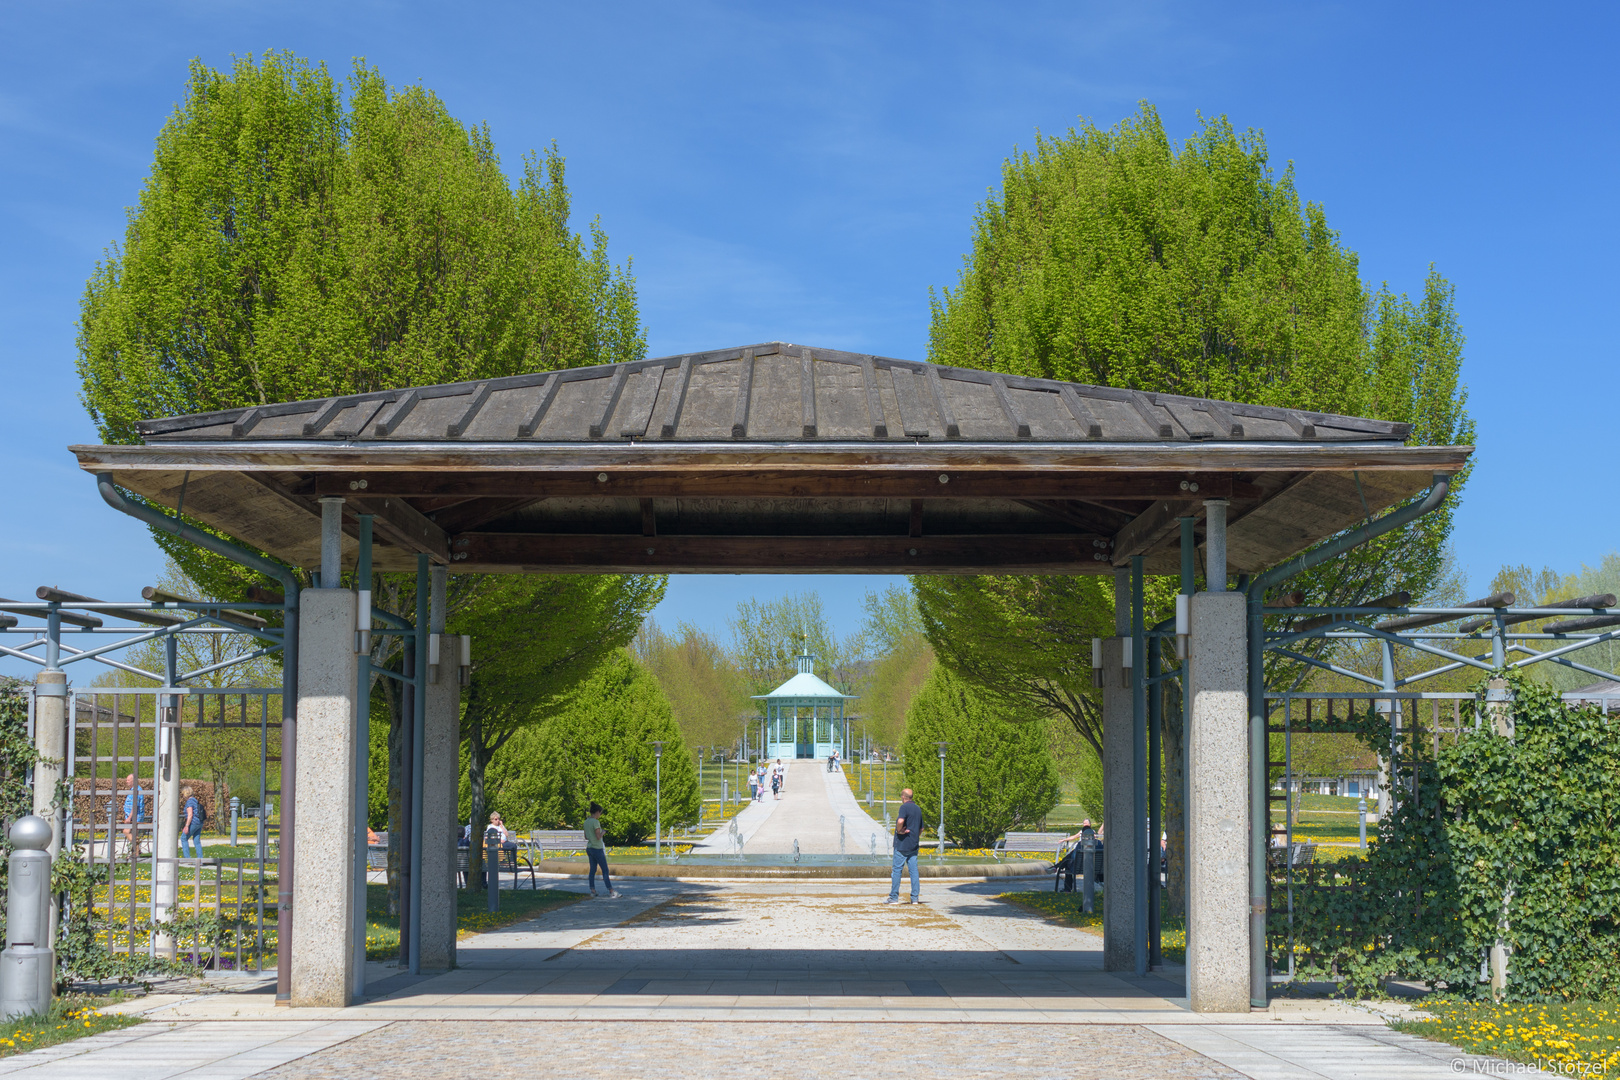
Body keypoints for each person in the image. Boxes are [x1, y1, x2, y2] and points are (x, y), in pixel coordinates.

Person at [886, 787, 923, 905]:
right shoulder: (918, 809)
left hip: (902, 845)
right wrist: (916, 836)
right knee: (914, 871)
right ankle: (915, 898)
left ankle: (894, 898)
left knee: (897, 870)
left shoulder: (904, 807)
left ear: (903, 797)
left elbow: (900, 821)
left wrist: (899, 831)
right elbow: (921, 828)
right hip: (913, 845)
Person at [583, 801, 619, 898]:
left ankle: (592, 890)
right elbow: (598, 837)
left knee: (592, 870)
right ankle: (611, 891)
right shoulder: (596, 822)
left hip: (589, 848)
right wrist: (603, 832)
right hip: (597, 848)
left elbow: (586, 837)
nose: (600, 815)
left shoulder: (586, 822)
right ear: (597, 812)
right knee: (605, 870)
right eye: (600, 813)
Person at [120, 773, 146, 855]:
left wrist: (129, 818)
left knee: (126, 831)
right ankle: (136, 852)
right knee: (135, 834)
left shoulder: (136, 790)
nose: (126, 782)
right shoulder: (133, 790)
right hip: (132, 817)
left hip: (134, 818)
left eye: (128, 780)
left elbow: (135, 806)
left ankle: (136, 847)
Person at [179, 785, 203, 859]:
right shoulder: (195, 800)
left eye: (183, 794)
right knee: (196, 840)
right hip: (200, 823)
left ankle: (187, 858)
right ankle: (200, 859)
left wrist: (186, 826)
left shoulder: (189, 802)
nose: (183, 796)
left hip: (193, 823)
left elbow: (190, 815)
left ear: (186, 794)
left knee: (183, 838)